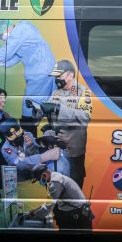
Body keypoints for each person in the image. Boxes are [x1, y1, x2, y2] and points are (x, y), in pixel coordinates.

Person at [0, 20, 56, 121]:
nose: (2, 38)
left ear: (7, 28)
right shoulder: (22, 32)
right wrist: (0, 63)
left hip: (40, 71)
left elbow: (7, 51)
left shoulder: (20, 30)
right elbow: (17, 56)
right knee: (46, 104)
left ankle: (28, 128)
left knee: (30, 103)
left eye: (1, 35)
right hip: (45, 69)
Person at [40, 60, 92, 188]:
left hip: (74, 149)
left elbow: (85, 117)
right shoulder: (57, 92)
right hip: (58, 147)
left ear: (70, 75)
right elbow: (48, 109)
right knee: (58, 183)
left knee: (74, 185)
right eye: (55, 76)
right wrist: (38, 109)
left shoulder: (82, 92)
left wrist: (59, 109)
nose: (57, 79)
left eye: (59, 76)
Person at [30, 165, 93, 230]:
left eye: (38, 179)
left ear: (44, 175)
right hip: (79, 211)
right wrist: (37, 210)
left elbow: (49, 205)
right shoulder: (55, 176)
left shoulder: (55, 183)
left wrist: (34, 214)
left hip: (77, 215)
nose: (39, 182)